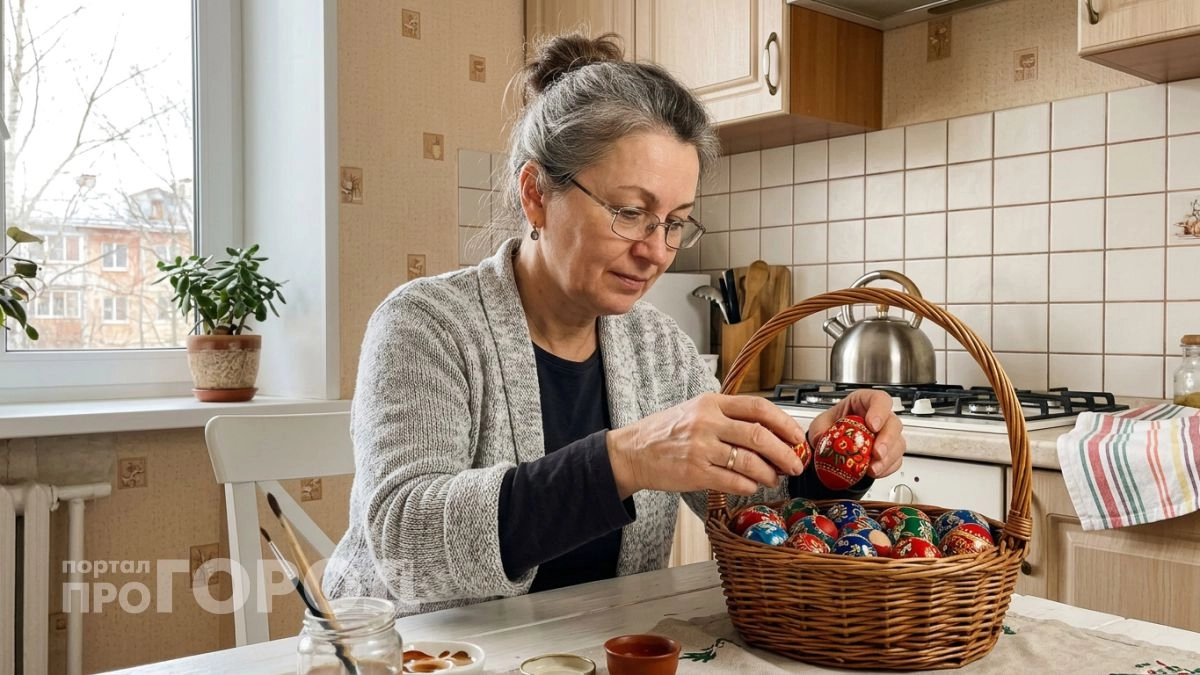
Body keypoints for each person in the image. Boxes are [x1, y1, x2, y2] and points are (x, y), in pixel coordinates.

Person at [324, 32, 906, 616]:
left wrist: (828, 461)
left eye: (675, 222)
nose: (657, 251)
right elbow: (404, 541)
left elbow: (755, 510)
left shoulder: (657, 347)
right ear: (536, 195)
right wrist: (623, 460)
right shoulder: (427, 325)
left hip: (593, 650)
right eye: (631, 213)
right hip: (415, 654)